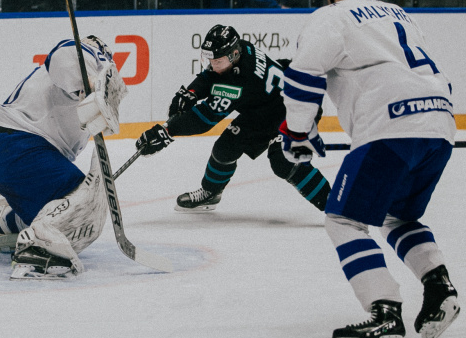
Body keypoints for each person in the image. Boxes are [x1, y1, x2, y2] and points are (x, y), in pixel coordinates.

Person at [280, 0, 459, 338]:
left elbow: (303, 77)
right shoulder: (399, 14)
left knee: (343, 219)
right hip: (440, 123)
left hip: (390, 125)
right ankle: (439, 287)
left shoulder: (330, 17)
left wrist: (298, 134)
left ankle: (385, 315)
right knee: (398, 215)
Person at [0, 37, 127, 279]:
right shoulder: (90, 56)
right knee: (82, 203)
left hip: (0, 151)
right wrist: (87, 82)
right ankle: (38, 250)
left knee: (57, 210)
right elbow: (63, 55)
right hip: (17, 147)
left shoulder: (76, 89)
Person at [134, 24, 331, 214]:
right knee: (225, 149)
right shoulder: (241, 49)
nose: (213, 65)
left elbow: (205, 119)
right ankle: (211, 193)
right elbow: (211, 75)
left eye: (217, 61)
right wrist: (192, 92)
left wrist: (168, 131)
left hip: (297, 108)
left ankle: (335, 205)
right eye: (211, 59)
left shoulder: (238, 82)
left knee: (283, 160)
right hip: (265, 110)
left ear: (233, 54)